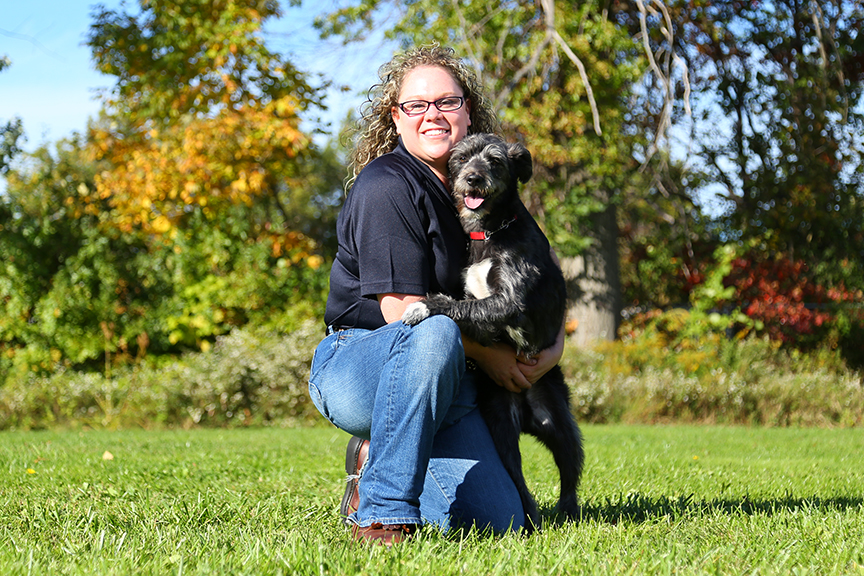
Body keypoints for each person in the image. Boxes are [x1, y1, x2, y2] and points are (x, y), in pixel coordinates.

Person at [307, 45, 565, 545]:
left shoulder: (487, 193)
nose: (433, 115)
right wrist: (492, 358)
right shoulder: (387, 185)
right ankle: (381, 513)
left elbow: (542, 281)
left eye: (447, 102)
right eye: (417, 105)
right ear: (395, 117)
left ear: (468, 111)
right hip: (362, 362)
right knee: (435, 328)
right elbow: (402, 312)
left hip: (449, 378)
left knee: (499, 523)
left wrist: (552, 350)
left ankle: (382, 453)